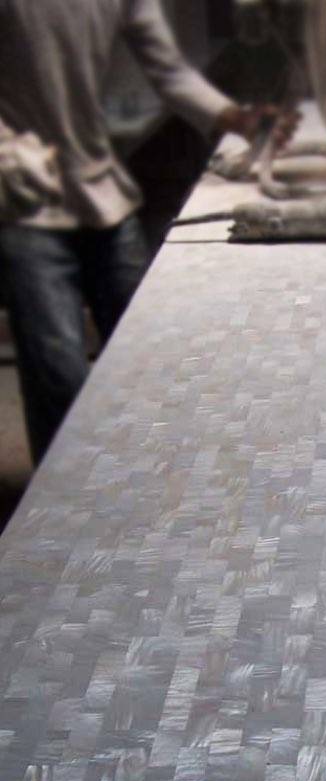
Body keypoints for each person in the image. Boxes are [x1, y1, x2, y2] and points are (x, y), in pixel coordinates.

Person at [0, 0, 294, 464]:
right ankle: (63, 498)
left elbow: (169, 70)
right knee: (59, 379)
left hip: (102, 191)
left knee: (147, 359)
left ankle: (150, 479)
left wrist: (236, 118)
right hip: (27, 203)